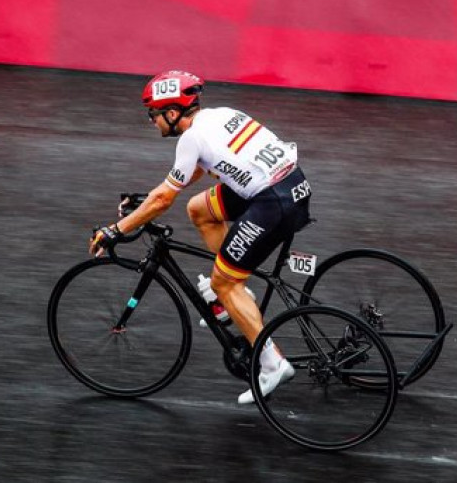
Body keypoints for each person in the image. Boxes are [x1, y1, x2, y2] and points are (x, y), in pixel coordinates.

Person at [89, 70, 312, 404]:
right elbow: (186, 175)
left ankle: (272, 363)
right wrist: (151, 196)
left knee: (223, 282)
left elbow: (164, 200)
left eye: (154, 115)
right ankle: (237, 294)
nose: (152, 122)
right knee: (199, 209)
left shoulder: (190, 138)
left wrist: (116, 229)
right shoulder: (220, 116)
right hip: (290, 184)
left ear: (173, 112)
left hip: (273, 202)